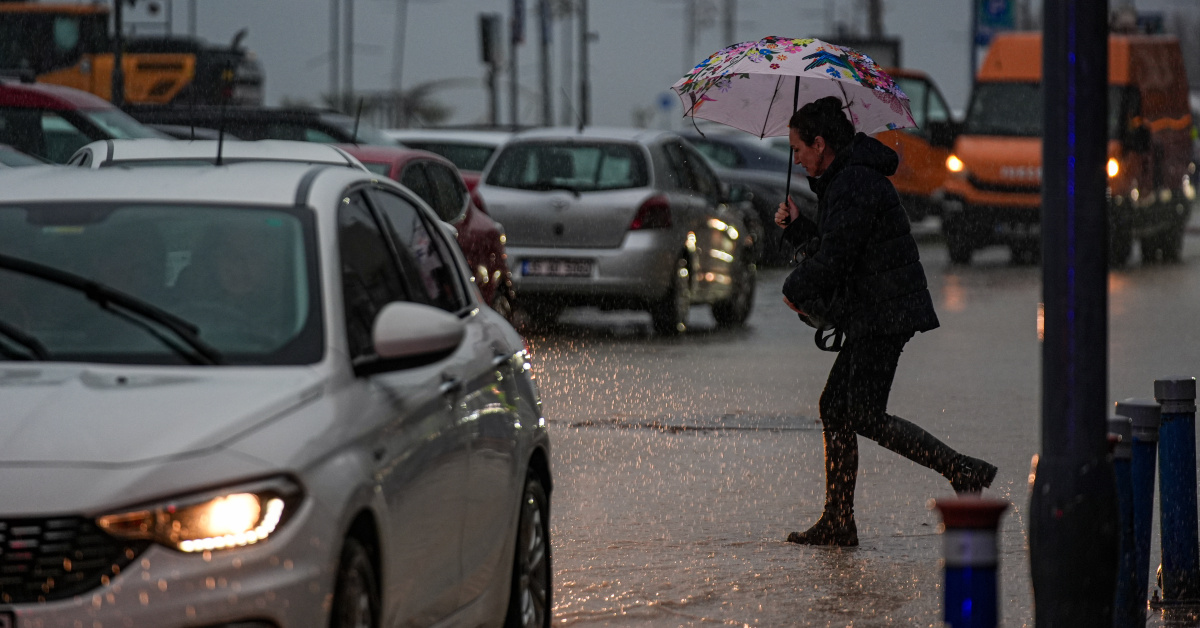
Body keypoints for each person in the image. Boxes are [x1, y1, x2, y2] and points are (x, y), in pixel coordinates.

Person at [775, 96, 997, 547]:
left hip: (884, 311)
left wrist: (795, 288)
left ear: (820, 145)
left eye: (798, 148)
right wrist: (799, 229)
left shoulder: (853, 182)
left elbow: (837, 258)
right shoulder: (845, 179)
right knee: (836, 408)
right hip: (876, 309)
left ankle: (962, 470)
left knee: (863, 414)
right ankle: (839, 520)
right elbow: (838, 244)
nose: (795, 159)